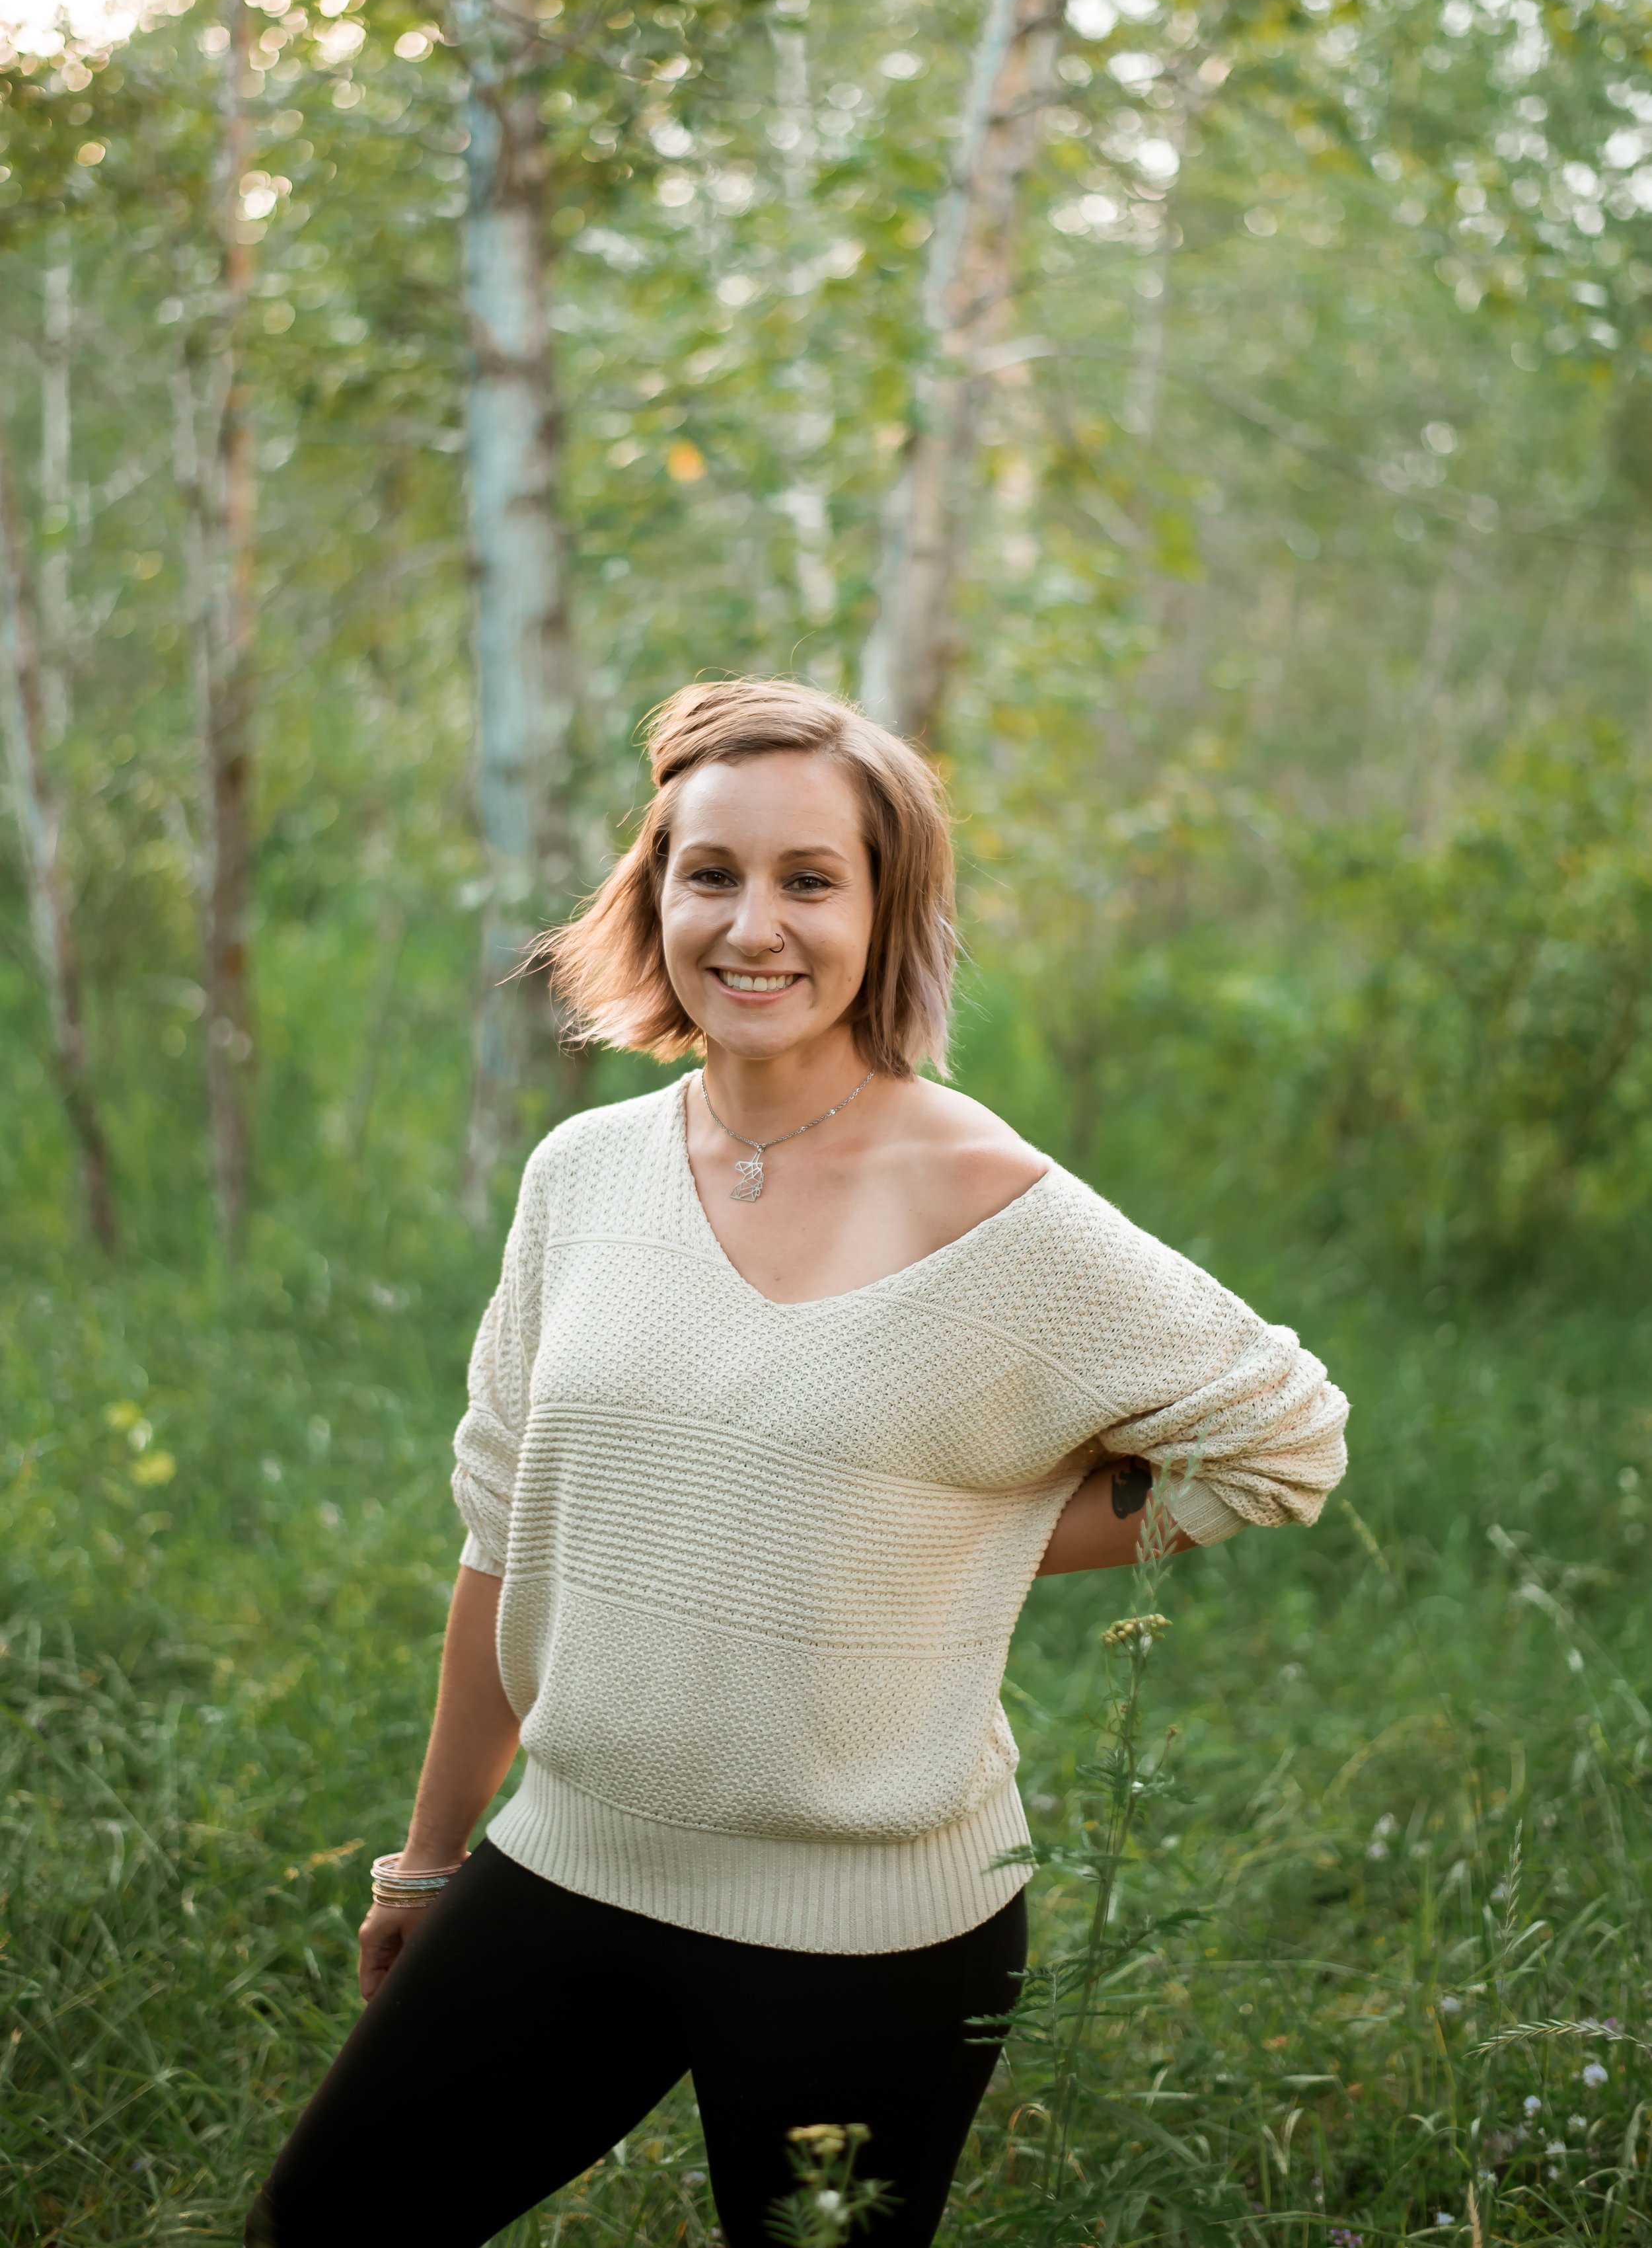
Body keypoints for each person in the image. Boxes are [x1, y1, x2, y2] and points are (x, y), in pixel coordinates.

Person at [246, 679, 1348, 2248]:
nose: (750, 925)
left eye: (808, 879)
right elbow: (504, 1524)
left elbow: (1282, 1443)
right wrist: (427, 1863)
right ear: (656, 893)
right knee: (324, 2225)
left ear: (884, 911)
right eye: (711, 874)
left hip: (870, 1928)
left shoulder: (991, 1199)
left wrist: (956, 1536)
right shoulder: (584, 1173)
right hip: (570, 1853)